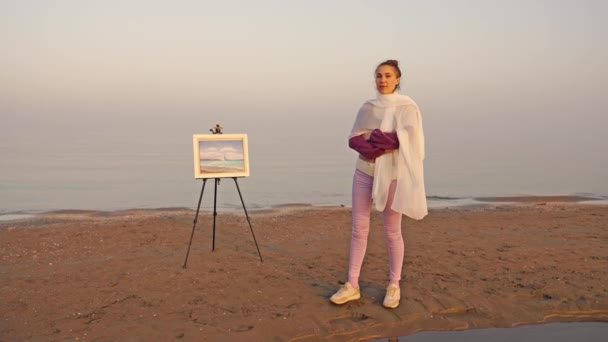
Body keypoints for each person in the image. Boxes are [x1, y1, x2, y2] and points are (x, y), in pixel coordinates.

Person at [330, 60, 427, 309]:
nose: (382, 80)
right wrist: (379, 143)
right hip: (364, 171)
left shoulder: (408, 107)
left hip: (393, 175)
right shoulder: (368, 107)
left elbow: (410, 140)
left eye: (387, 75)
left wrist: (373, 137)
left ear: (397, 79)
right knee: (358, 229)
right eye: (378, 76)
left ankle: (394, 285)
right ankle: (352, 285)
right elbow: (353, 139)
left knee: (392, 231)